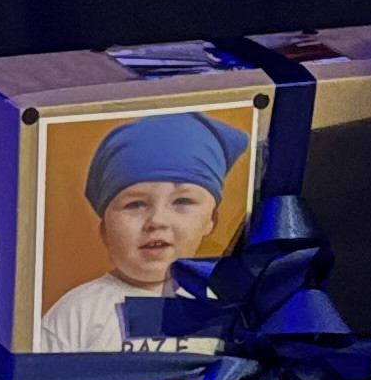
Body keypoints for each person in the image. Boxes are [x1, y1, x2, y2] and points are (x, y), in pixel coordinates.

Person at [36, 112, 246, 354]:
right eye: (135, 204)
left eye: (182, 201)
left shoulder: (226, 304)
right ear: (104, 229)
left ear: (211, 220)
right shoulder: (77, 313)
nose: (156, 221)